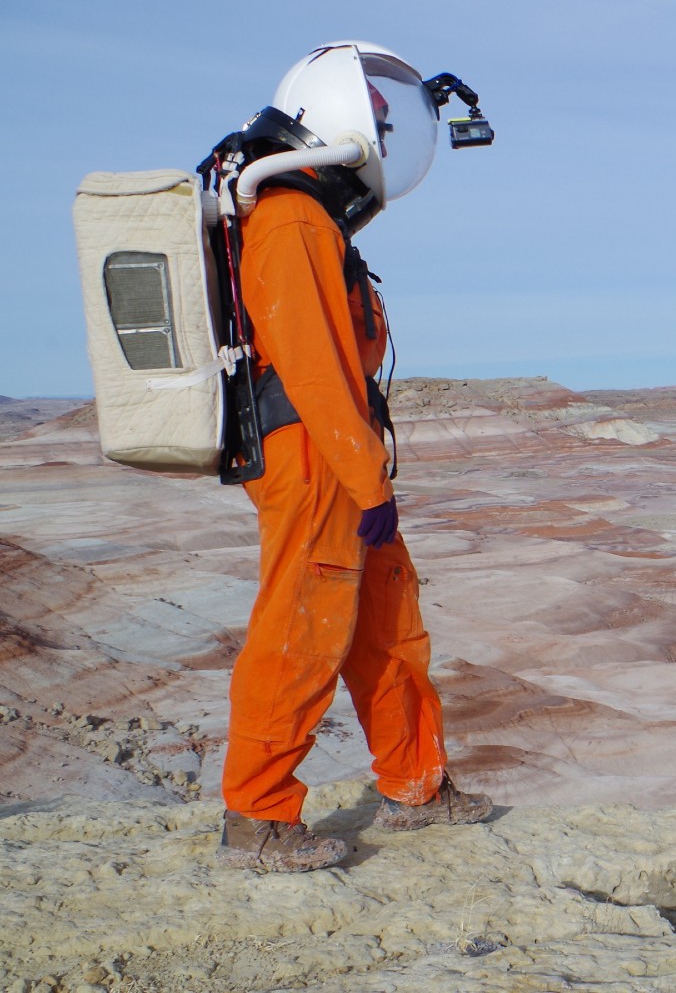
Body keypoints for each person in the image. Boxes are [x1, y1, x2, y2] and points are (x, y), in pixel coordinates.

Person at [215, 42, 490, 873]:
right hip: (315, 461)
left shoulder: (305, 215)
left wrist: (366, 471)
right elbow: (314, 366)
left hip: (339, 456)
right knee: (301, 628)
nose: (381, 133)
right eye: (374, 118)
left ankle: (415, 782)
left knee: (385, 626)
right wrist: (365, 476)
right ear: (333, 116)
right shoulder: (292, 218)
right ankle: (257, 817)